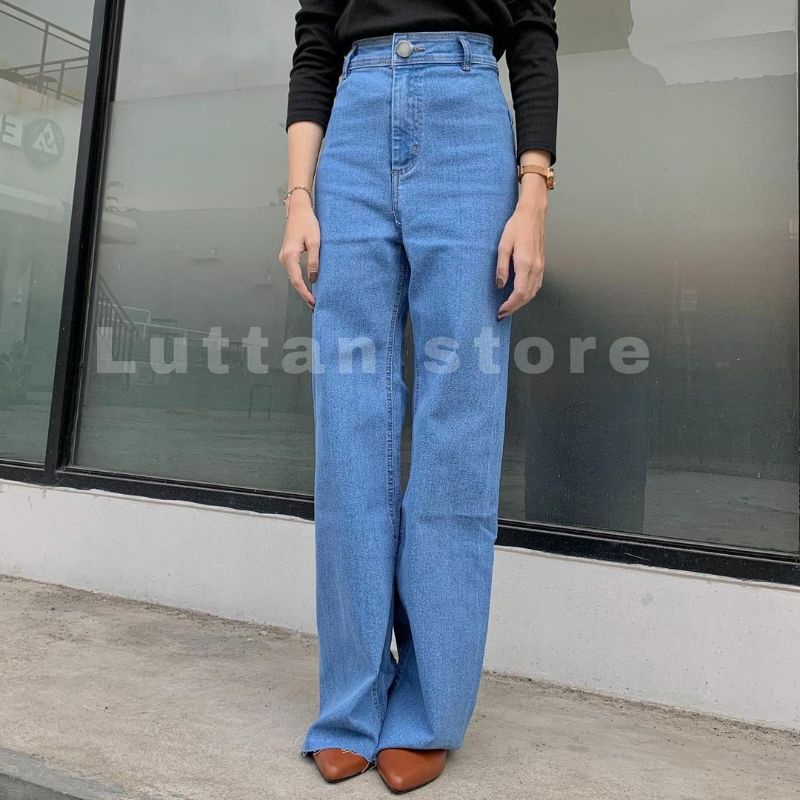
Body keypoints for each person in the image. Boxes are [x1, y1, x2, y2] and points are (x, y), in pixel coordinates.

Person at [279, 1, 558, 793]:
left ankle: (428, 708)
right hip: (355, 121)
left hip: (468, 116)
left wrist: (533, 195)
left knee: (458, 421)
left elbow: (532, 34)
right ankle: (350, 704)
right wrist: (299, 196)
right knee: (348, 422)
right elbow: (315, 41)